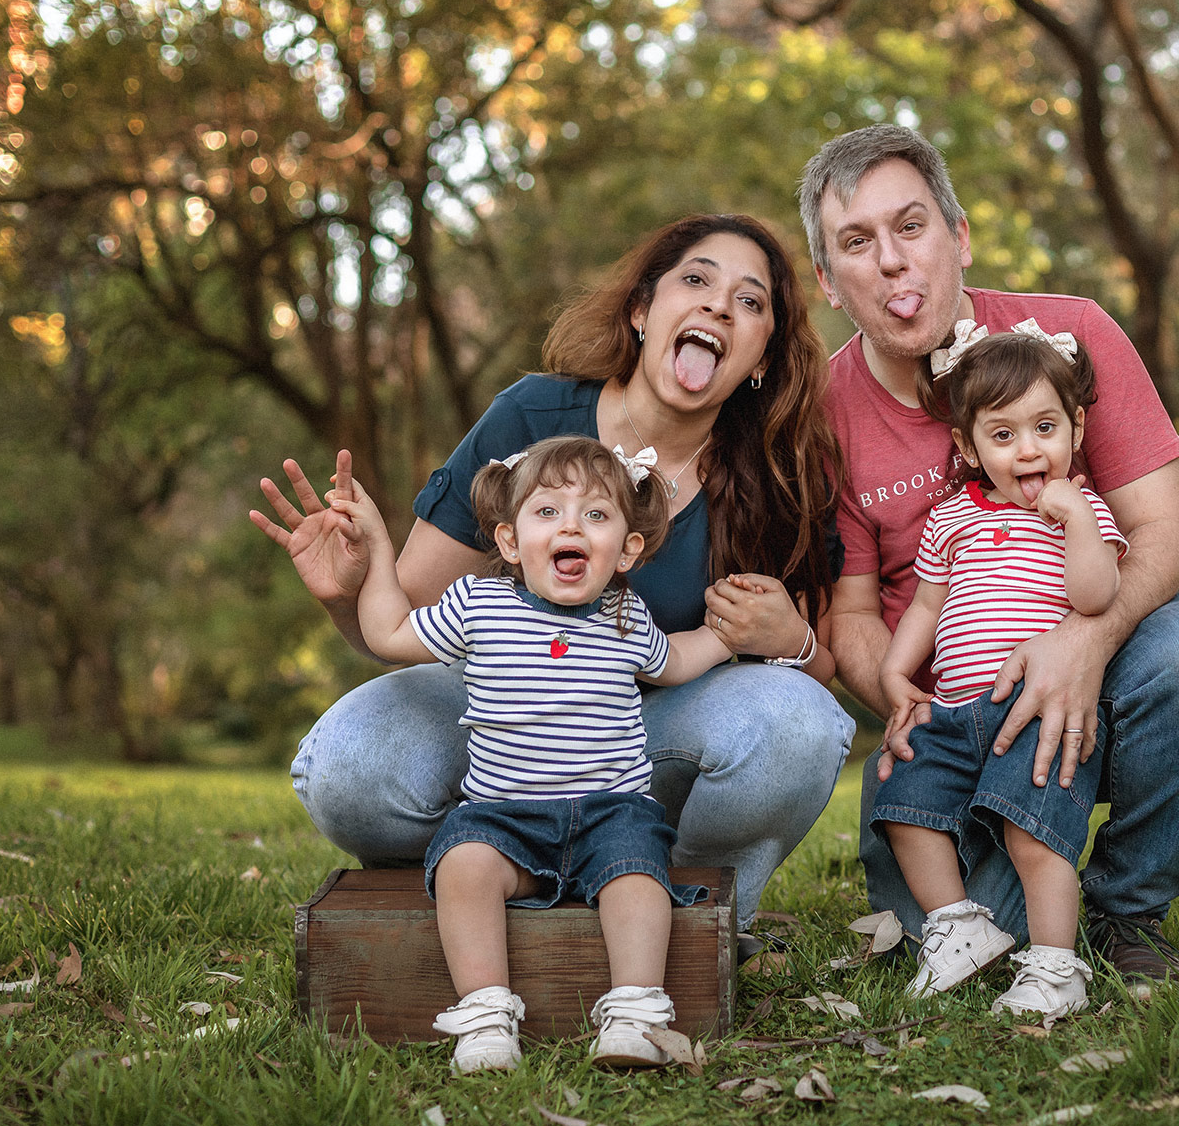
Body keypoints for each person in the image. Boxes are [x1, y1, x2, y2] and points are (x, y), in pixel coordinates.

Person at [254, 215, 855, 941]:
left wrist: (791, 642)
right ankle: (487, 878)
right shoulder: (533, 415)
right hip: (507, 722)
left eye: (751, 302)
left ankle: (693, 917)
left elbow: (821, 674)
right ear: (641, 311)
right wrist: (348, 590)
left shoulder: (777, 474)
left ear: (761, 357)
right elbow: (404, 621)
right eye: (695, 280)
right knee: (350, 765)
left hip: (650, 738)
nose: (718, 306)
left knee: (798, 724)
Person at [799, 124, 1179, 984]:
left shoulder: (1070, 337)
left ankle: (1129, 906)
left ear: (960, 235)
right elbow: (854, 615)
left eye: (912, 227)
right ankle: (1018, 899)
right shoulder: (823, 415)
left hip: (1102, 677)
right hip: (955, 722)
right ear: (829, 282)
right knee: (972, 934)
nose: (894, 261)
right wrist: (918, 713)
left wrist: (1083, 645)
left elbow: (1165, 531)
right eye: (857, 244)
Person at [317, 436, 734, 1071]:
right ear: (510, 542)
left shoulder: (625, 613)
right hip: (502, 817)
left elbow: (674, 663)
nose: (572, 525)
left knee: (639, 877)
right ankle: (486, 1016)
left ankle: (633, 1012)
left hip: (611, 811)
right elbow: (389, 633)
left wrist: (725, 636)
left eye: (596, 515)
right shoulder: (479, 605)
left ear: (627, 550)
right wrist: (376, 547)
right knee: (464, 868)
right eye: (548, 512)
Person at [872, 329, 1127, 1020]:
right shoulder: (950, 519)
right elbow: (928, 604)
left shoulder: (1084, 512)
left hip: (1042, 712)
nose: (1028, 450)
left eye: (1045, 428)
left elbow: (1096, 597)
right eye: (1004, 434)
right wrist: (897, 673)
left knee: (1032, 835)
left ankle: (1054, 968)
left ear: (1075, 428)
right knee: (898, 789)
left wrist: (1075, 516)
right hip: (956, 710)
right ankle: (957, 924)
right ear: (968, 448)